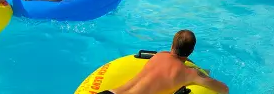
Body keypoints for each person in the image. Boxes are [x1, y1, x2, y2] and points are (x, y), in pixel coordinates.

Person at [96, 30, 229, 94]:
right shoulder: (190, 73)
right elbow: (224, 89)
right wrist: (201, 73)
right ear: (191, 51)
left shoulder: (159, 56)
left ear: (172, 45)